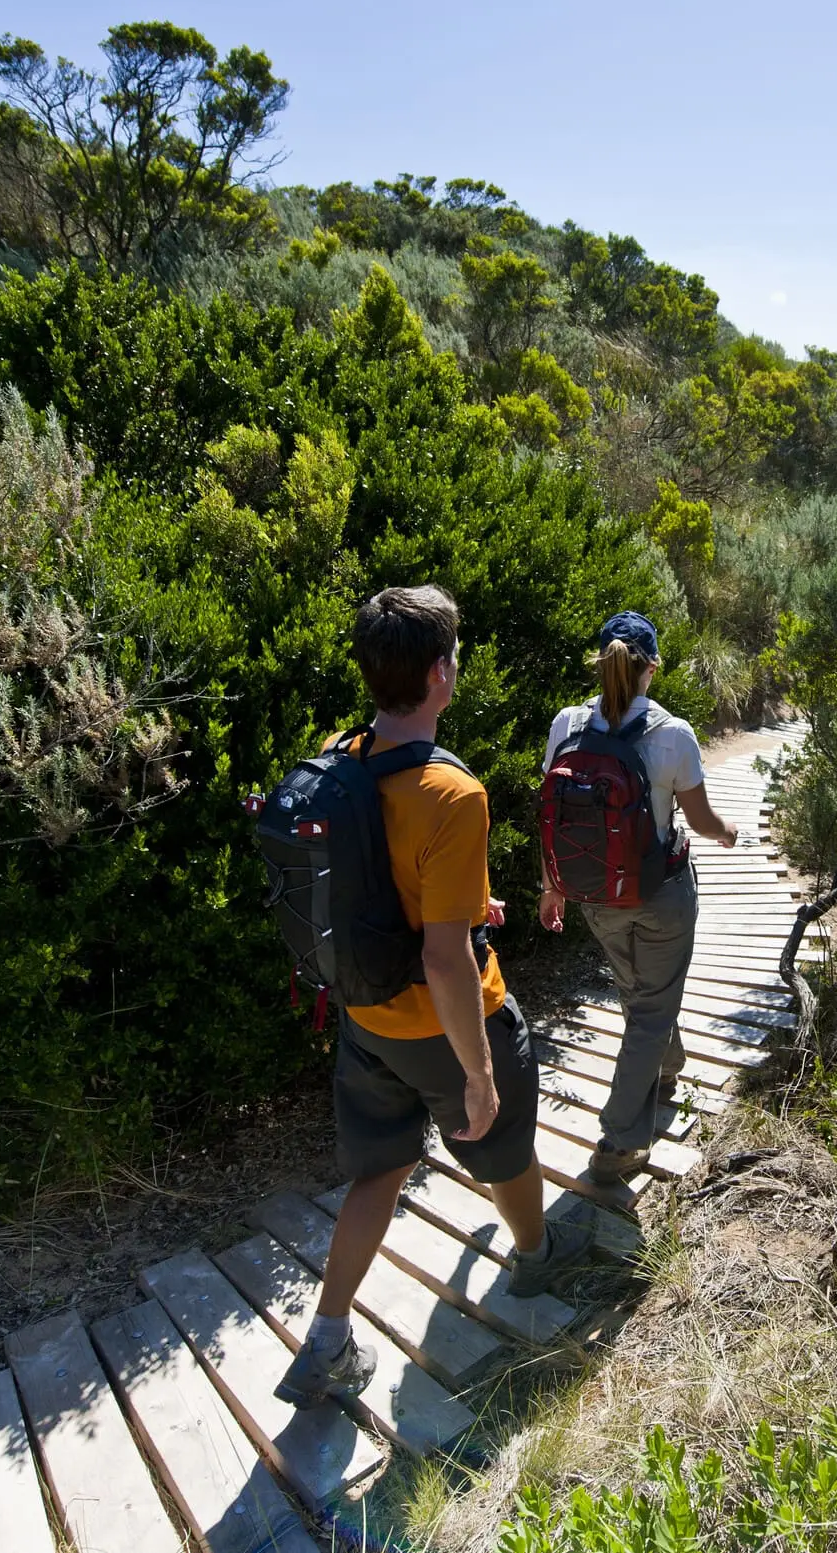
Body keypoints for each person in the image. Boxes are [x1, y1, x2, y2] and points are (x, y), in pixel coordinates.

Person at [274, 584, 592, 1407]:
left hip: (364, 1015)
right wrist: (479, 1073)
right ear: (441, 673)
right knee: (502, 1144)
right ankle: (536, 1254)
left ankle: (326, 1336)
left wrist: (469, 902)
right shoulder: (454, 793)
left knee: (380, 1168)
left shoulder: (339, 753)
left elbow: (373, 877)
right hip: (444, 1024)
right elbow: (445, 959)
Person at [536, 611, 741, 1183]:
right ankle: (622, 1143)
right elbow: (701, 820)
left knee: (640, 991)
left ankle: (666, 1068)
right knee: (651, 1005)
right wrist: (727, 833)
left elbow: (552, 814)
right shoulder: (672, 734)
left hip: (595, 893)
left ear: (601, 662)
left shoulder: (568, 725)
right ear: (652, 667)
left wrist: (550, 887)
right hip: (660, 892)